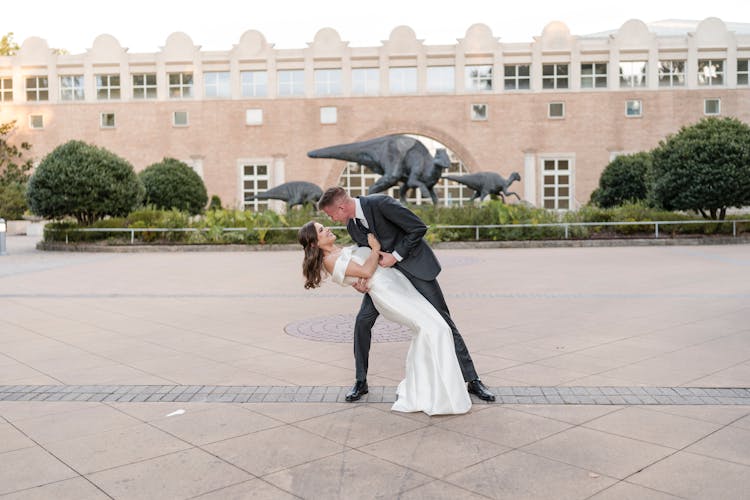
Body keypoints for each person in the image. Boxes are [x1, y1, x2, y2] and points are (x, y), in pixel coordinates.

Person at [317, 186, 495, 403]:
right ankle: (360, 381)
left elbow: (418, 228)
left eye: (331, 213)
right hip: (386, 283)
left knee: (443, 320)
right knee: (362, 322)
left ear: (342, 207)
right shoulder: (352, 226)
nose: (330, 219)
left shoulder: (380, 203)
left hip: (417, 269)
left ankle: (472, 380)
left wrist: (396, 256)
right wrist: (358, 283)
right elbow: (363, 255)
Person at [298, 221, 471, 415]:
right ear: (314, 243)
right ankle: (429, 391)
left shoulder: (340, 249)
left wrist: (359, 276)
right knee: (432, 328)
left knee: (437, 326)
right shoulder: (329, 260)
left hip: (398, 283)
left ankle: (435, 384)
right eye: (321, 230)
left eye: (324, 226)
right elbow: (365, 272)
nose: (327, 228)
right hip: (389, 294)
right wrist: (375, 249)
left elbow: (359, 272)